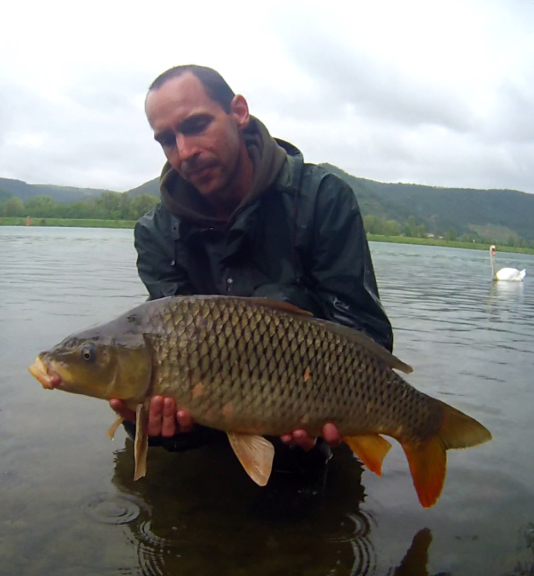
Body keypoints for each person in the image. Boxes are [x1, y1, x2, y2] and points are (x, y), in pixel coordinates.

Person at [110, 64, 393, 490]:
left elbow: (367, 334)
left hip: (307, 410)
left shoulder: (320, 200)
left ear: (238, 112)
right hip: (210, 407)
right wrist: (153, 411)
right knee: (147, 414)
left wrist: (320, 397)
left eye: (196, 125)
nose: (184, 151)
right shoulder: (155, 233)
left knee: (302, 482)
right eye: (167, 140)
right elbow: (168, 343)